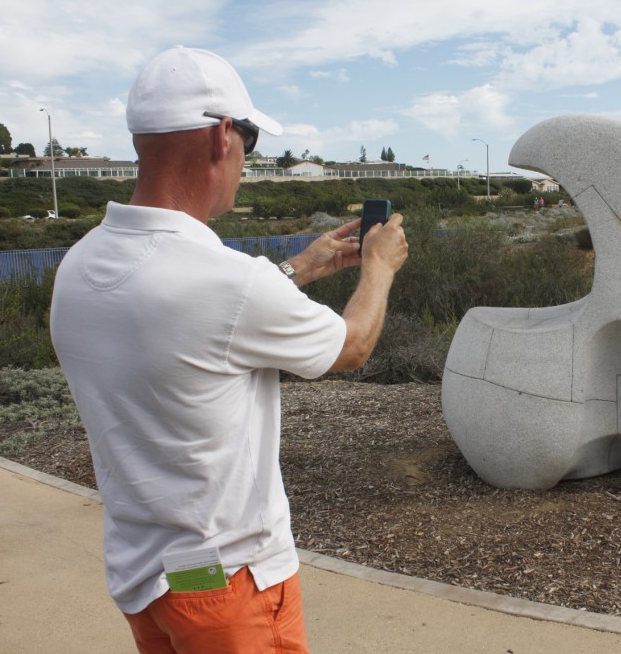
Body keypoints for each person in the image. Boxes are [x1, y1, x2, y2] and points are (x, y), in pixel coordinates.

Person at [50, 46, 408, 653]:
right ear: (223, 137)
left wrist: (296, 269)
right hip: (230, 586)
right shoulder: (228, 282)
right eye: (250, 141)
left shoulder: (82, 263)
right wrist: (379, 268)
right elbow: (351, 348)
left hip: (147, 580)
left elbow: (194, 325)